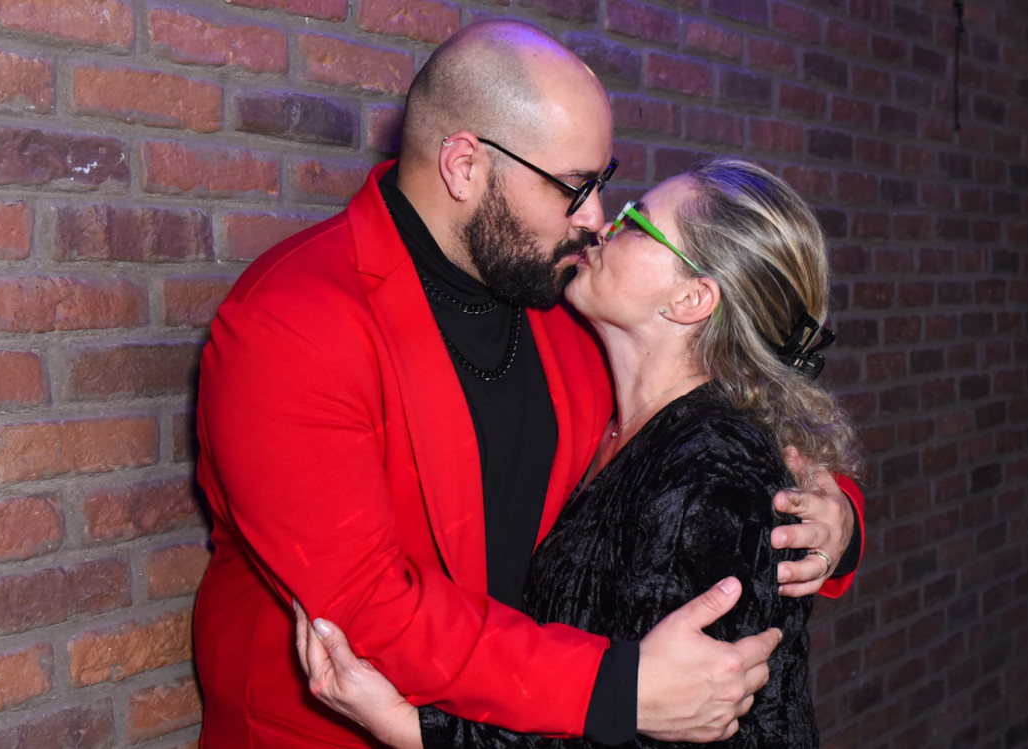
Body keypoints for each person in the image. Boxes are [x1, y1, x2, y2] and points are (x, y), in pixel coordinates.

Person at [194, 19, 865, 748]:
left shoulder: (568, 304)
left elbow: (716, 431)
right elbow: (367, 610)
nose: (597, 220)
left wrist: (834, 524)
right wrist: (616, 688)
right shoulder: (292, 324)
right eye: (575, 188)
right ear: (465, 167)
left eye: (602, 184)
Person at [295, 158, 860, 748]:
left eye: (638, 223)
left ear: (693, 298)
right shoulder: (623, 415)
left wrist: (413, 731)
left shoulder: (709, 467)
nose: (603, 228)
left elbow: (661, 725)